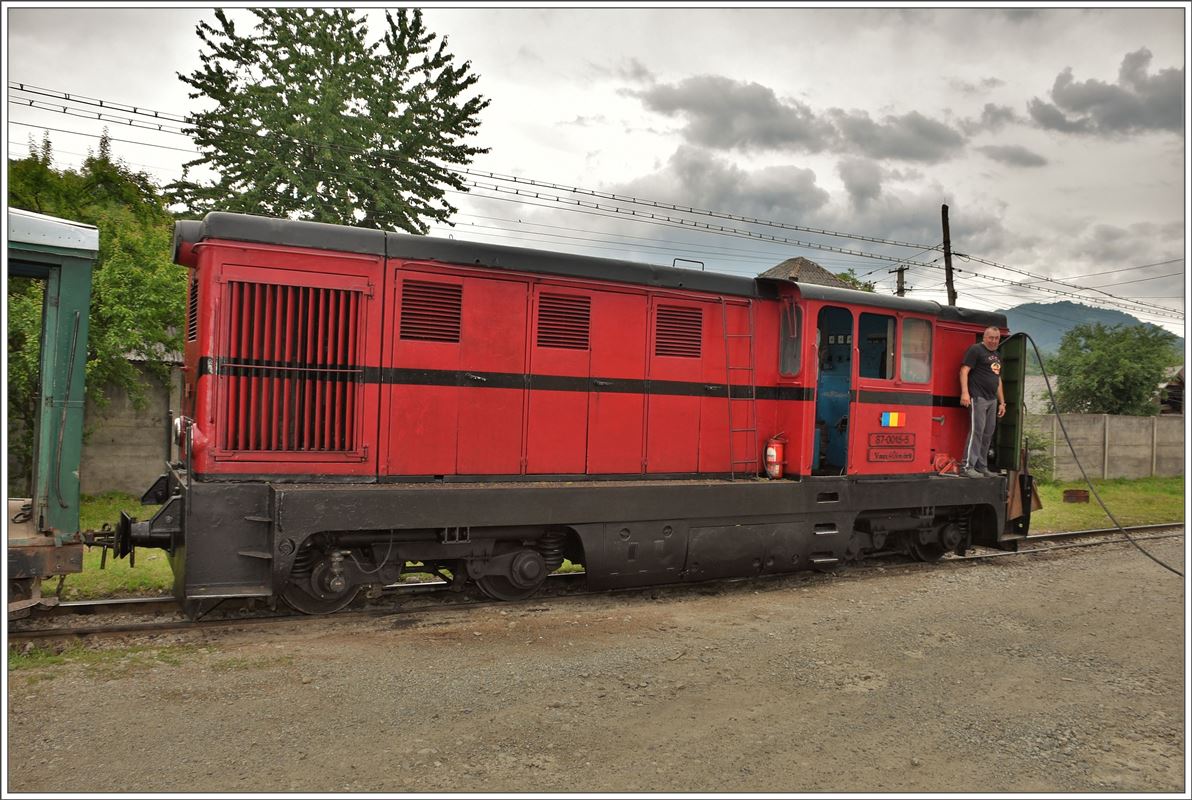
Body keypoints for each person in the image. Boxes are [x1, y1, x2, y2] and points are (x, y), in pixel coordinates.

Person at [959, 326, 1006, 478]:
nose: (993, 341)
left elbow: (998, 379)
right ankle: (967, 467)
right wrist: (965, 393)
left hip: (992, 399)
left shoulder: (997, 355)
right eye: (991, 338)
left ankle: (982, 466)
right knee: (976, 431)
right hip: (978, 397)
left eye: (996, 338)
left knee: (988, 433)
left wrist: (1002, 402)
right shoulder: (976, 350)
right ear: (984, 337)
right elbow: (964, 371)